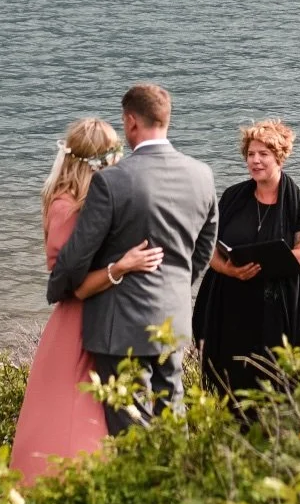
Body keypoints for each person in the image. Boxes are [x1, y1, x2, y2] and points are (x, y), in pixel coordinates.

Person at [47, 84, 217, 434]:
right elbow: (203, 248)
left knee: (130, 424)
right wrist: (175, 285)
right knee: (173, 411)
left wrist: (61, 288)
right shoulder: (202, 175)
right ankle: (179, 483)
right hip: (173, 319)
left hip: (120, 326)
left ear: (130, 122)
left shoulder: (112, 181)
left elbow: (77, 255)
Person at [9, 118, 165, 483]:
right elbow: (73, 282)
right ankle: (65, 480)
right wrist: (123, 266)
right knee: (74, 405)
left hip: (99, 312)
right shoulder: (66, 205)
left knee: (94, 404)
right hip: (78, 319)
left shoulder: (87, 200)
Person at [193, 119, 300, 398]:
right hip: (231, 307)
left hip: (275, 311)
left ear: (279, 156)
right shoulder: (233, 197)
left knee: (273, 388)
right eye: (251, 154)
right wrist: (228, 270)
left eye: (263, 154)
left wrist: (260, 265)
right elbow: (209, 247)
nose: (255, 160)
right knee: (228, 389)